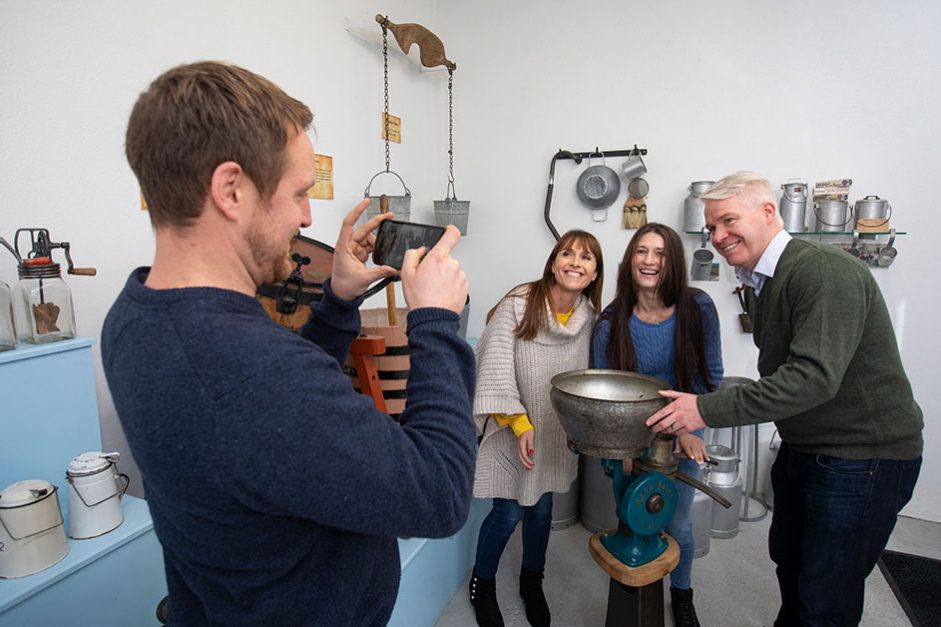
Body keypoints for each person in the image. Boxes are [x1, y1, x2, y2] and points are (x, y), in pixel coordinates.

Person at [102, 61, 476, 627]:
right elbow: (441, 492)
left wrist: (340, 299)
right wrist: (436, 322)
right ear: (231, 189)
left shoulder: (132, 316)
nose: (306, 215)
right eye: (300, 192)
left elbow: (273, 431)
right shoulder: (257, 372)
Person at [646, 172, 923, 626]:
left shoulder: (822, 270)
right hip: (806, 447)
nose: (718, 236)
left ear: (768, 212)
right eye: (711, 226)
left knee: (826, 596)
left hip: (861, 457)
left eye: (728, 220)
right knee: (792, 568)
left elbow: (812, 378)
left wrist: (702, 409)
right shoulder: (764, 280)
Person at [469, 230, 604, 627]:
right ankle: (483, 584)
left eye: (586, 257)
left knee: (543, 511)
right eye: (567, 253)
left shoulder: (589, 319)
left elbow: (588, 381)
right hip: (514, 428)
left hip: (555, 435)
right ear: (553, 262)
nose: (575, 262)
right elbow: (493, 365)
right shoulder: (519, 304)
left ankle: (532, 581)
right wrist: (519, 422)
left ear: (595, 273)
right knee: (507, 513)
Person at [591, 223, 722, 627]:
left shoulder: (698, 309)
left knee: (678, 524)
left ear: (674, 262)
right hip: (630, 434)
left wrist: (688, 430)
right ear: (630, 260)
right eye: (642, 251)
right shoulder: (610, 322)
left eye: (660, 253)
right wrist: (624, 450)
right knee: (634, 518)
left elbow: (710, 379)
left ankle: (682, 596)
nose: (650, 261)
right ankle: (632, 595)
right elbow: (604, 395)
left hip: (684, 427)